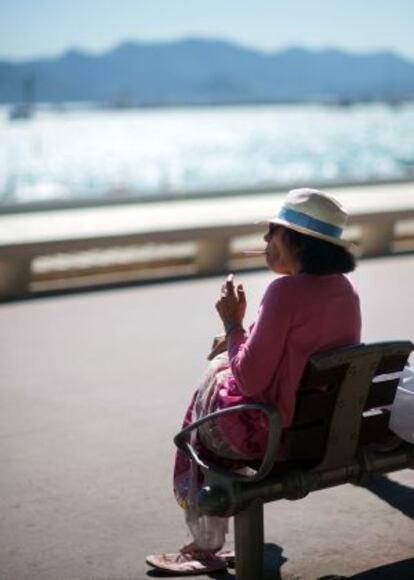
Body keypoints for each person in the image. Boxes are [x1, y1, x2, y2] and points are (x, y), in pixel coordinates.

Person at [147, 188, 361, 575]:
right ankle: (214, 535)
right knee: (220, 380)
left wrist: (232, 323)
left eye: (272, 233)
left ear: (296, 241)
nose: (264, 241)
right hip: (327, 430)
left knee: (206, 411)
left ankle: (206, 542)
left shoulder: (284, 291)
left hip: (280, 439)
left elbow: (249, 379)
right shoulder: (345, 290)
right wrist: (236, 339)